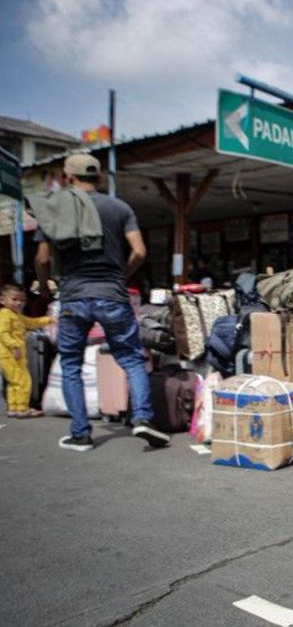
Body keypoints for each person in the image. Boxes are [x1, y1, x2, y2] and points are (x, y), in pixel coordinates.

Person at [32, 154, 170, 452]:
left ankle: (81, 434)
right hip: (112, 295)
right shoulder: (120, 207)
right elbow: (139, 252)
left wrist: (44, 287)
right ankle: (143, 419)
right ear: (99, 177)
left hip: (73, 296)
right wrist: (120, 275)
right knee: (132, 359)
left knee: (71, 362)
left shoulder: (56, 207)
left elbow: (42, 258)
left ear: (68, 177)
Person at [0, 283, 51, 418]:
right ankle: (22, 408)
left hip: (14, 354)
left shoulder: (17, 316)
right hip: (10, 354)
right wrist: (13, 347)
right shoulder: (5, 314)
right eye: (14, 299)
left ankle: (14, 408)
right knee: (23, 380)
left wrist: (49, 319)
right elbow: (3, 333)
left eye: (22, 300)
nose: (19, 303)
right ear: (2, 300)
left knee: (14, 382)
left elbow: (31, 322)